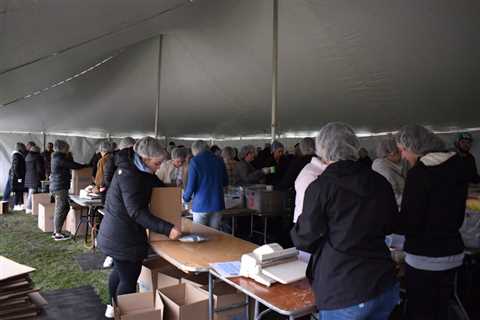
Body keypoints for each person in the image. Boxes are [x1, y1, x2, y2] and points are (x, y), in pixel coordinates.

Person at [291, 122, 399, 319]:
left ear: (322, 149)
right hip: (383, 282)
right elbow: (392, 225)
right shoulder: (379, 181)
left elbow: (304, 239)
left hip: (343, 288)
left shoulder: (320, 187)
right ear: (354, 146)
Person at [97, 137, 181, 318]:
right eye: (157, 163)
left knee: (119, 272)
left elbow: (153, 184)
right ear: (144, 158)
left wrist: (171, 193)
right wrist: (168, 228)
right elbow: (136, 212)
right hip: (122, 235)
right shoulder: (130, 174)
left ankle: (111, 308)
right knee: (128, 279)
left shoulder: (138, 169)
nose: (159, 167)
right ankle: (122, 314)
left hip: (117, 232)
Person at [396, 125, 473, 320]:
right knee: (443, 307)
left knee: (421, 311)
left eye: (403, 150)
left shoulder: (419, 174)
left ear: (414, 147)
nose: (403, 156)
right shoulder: (458, 165)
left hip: (425, 257)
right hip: (453, 251)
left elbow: (410, 222)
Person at [182, 140, 228, 229]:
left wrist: (185, 198)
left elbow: (191, 185)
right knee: (215, 235)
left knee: (200, 234)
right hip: (218, 203)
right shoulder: (219, 160)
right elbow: (225, 182)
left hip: (201, 205)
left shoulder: (195, 161)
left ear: (195, 150)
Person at [49, 140, 88, 241]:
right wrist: (86, 166)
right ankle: (57, 233)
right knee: (60, 208)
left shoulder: (57, 156)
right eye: (67, 148)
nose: (68, 150)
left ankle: (58, 231)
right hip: (59, 187)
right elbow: (73, 165)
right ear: (62, 148)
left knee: (64, 207)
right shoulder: (59, 158)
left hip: (59, 186)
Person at [372, 135, 405, 207]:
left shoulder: (389, 166)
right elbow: (393, 197)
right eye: (400, 152)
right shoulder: (384, 170)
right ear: (392, 153)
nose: (403, 155)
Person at [24, 146, 45, 214]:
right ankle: (29, 208)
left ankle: (30, 207)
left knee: (30, 193)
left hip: (28, 176)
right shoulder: (37, 157)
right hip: (35, 177)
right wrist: (42, 176)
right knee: (32, 193)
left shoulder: (27, 156)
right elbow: (39, 169)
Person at [10, 143, 27, 211]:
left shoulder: (18, 155)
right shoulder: (17, 155)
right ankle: (16, 205)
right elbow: (16, 168)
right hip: (17, 178)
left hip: (18, 177)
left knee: (20, 191)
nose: (24, 148)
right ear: (20, 148)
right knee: (18, 191)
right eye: (23, 147)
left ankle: (19, 204)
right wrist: (19, 177)